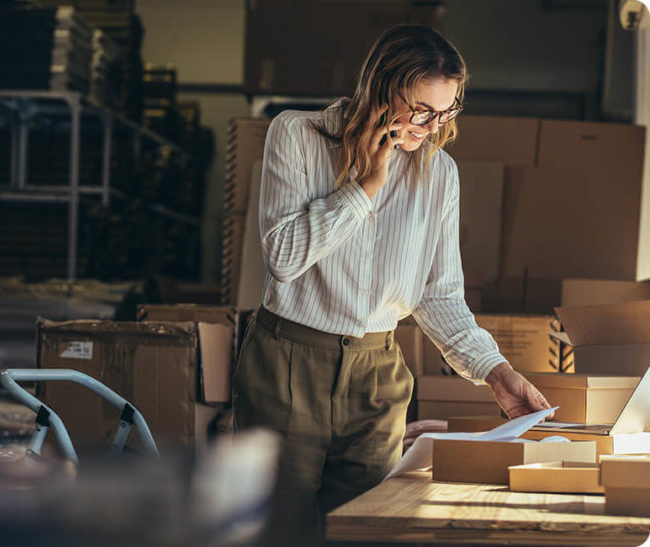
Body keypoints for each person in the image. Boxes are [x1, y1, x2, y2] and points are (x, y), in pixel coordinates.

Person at [232, 24, 552, 546]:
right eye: (421, 109)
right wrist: (365, 188)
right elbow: (283, 258)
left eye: (445, 112)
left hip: (377, 377)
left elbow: (438, 294)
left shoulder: (439, 174)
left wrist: (496, 372)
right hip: (286, 365)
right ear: (381, 88)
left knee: (367, 531)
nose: (431, 126)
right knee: (278, 532)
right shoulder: (296, 134)